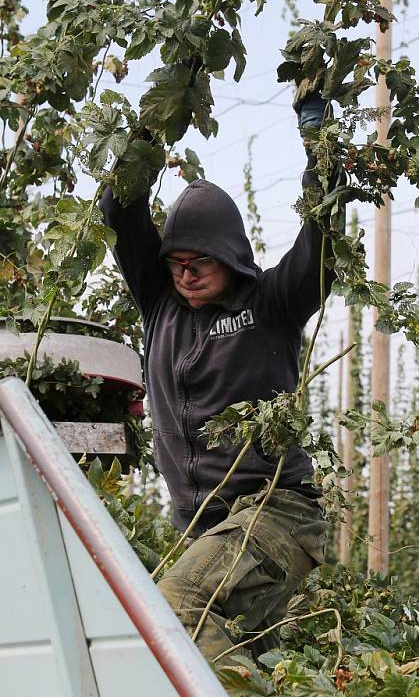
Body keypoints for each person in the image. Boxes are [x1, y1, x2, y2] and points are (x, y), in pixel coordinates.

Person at [99, 92, 337, 665]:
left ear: (229, 255)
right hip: (204, 531)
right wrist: (163, 104)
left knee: (176, 613)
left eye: (198, 260)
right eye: (174, 260)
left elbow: (321, 239)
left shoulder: (272, 302)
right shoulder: (161, 306)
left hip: (277, 512)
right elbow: (119, 206)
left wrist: (318, 142)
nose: (184, 273)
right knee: (245, 660)